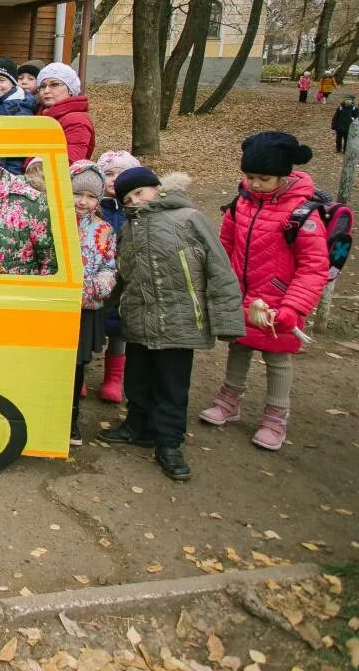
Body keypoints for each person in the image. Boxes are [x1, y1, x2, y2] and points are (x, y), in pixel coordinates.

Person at [98, 167, 245, 481]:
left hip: (179, 321)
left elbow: (219, 268)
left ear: (157, 188)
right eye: (128, 199)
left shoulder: (189, 219)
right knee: (137, 378)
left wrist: (228, 321)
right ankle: (138, 426)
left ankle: (169, 443)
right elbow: (121, 276)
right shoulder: (128, 230)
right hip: (138, 319)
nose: (135, 201)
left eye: (140, 193)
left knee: (171, 385)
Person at [199, 133, 330, 451]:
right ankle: (229, 400)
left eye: (263, 178)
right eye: (250, 177)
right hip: (243, 294)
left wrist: (294, 308)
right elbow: (226, 245)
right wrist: (222, 284)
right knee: (239, 347)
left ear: (283, 176)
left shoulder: (303, 215)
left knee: (278, 358)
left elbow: (313, 266)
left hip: (279, 301)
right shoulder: (240, 203)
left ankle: (275, 416)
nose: (255, 184)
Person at [69, 161, 117, 447]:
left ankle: (71, 420)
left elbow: (109, 269)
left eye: (90, 196)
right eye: (78, 194)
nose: (83, 202)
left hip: (84, 310)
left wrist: (85, 293)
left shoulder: (104, 230)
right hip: (54, 308)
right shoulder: (51, 221)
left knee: (75, 367)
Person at [94, 149, 140, 403]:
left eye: (120, 175)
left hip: (125, 277)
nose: (113, 180)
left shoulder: (135, 208)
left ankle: (113, 377)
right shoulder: (95, 204)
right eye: (108, 174)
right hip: (99, 272)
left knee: (119, 329)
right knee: (93, 323)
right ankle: (84, 367)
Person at [36, 62, 95, 162]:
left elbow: (69, 161)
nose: (46, 90)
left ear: (70, 90)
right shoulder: (38, 115)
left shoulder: (77, 120)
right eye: (42, 86)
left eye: (54, 85)